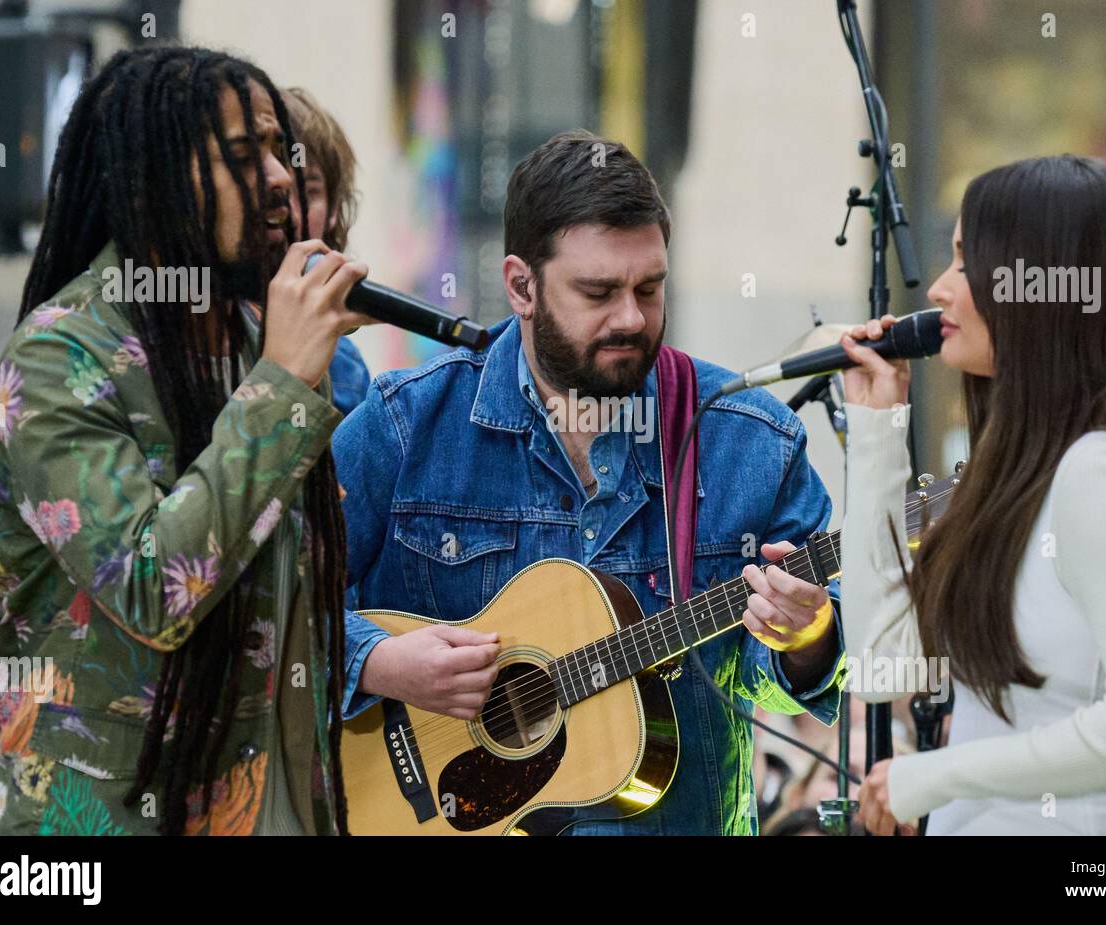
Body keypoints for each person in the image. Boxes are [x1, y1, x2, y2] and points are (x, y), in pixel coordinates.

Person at [332, 130, 846, 834]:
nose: (632, 318)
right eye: (599, 292)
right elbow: (271, 619)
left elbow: (787, 671)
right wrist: (380, 661)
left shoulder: (748, 438)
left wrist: (808, 631)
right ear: (521, 285)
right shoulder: (404, 425)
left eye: (649, 288)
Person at [0, 46, 374, 835]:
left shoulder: (261, 341)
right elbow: (154, 588)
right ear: (157, 177)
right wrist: (282, 384)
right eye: (244, 155)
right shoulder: (60, 357)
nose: (282, 177)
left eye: (280, 150)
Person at [838, 155, 1106, 835]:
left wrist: (939, 773)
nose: (938, 288)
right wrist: (877, 432)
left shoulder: (1104, 468)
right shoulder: (1021, 470)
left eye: (966, 262)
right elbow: (879, 663)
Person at [280, 87, 372, 417]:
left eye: (309, 191)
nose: (289, 212)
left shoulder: (346, 369)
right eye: (274, 191)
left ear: (334, 210)